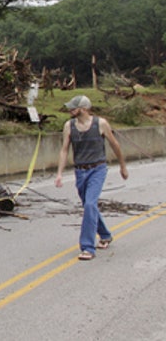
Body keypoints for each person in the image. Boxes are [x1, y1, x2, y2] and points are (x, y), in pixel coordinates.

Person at [55, 95, 129, 261]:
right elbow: (64, 150)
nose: (70, 110)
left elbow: (115, 145)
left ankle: (87, 247)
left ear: (83, 108)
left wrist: (123, 166)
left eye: (74, 107)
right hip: (80, 171)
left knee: (89, 204)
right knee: (90, 206)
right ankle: (105, 235)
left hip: (98, 169)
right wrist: (59, 173)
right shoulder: (69, 126)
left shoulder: (100, 123)